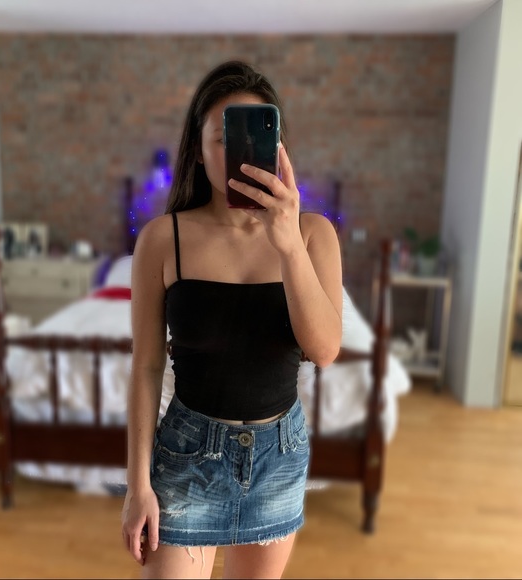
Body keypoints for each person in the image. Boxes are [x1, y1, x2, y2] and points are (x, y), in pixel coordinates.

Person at [121, 60, 343, 579]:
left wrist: (288, 245)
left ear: (277, 147)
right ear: (198, 150)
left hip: (278, 459)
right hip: (187, 457)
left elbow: (325, 350)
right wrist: (137, 486)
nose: (238, 152)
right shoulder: (162, 239)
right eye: (223, 138)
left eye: (255, 136)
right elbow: (146, 366)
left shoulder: (313, 235)